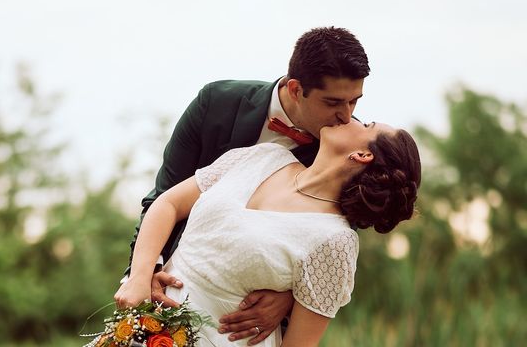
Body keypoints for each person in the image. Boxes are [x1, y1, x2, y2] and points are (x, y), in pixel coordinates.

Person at [124, 26, 370, 344]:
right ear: (296, 89)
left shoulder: (343, 153)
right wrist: (143, 274)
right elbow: (163, 198)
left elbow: (329, 252)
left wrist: (290, 297)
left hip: (245, 328)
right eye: (333, 102)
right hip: (169, 290)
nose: (346, 116)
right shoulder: (216, 103)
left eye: (355, 102)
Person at [115, 119, 421, 346]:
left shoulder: (335, 240)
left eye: (366, 124)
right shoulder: (264, 157)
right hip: (141, 327)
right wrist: (140, 279)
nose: (350, 117)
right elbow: (168, 203)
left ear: (362, 155)